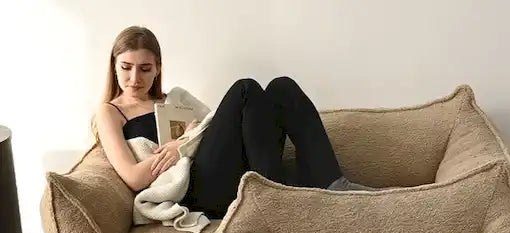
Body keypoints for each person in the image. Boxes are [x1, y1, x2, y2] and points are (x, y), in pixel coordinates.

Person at [93, 26, 374, 220]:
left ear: (158, 69)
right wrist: (182, 147)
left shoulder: (174, 99)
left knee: (281, 88)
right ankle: (276, 200)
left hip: (224, 171)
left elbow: (215, 129)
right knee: (245, 89)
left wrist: (188, 139)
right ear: (114, 66)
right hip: (191, 191)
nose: (134, 79)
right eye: (126, 68)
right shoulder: (110, 112)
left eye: (145, 69)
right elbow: (133, 177)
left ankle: (333, 184)